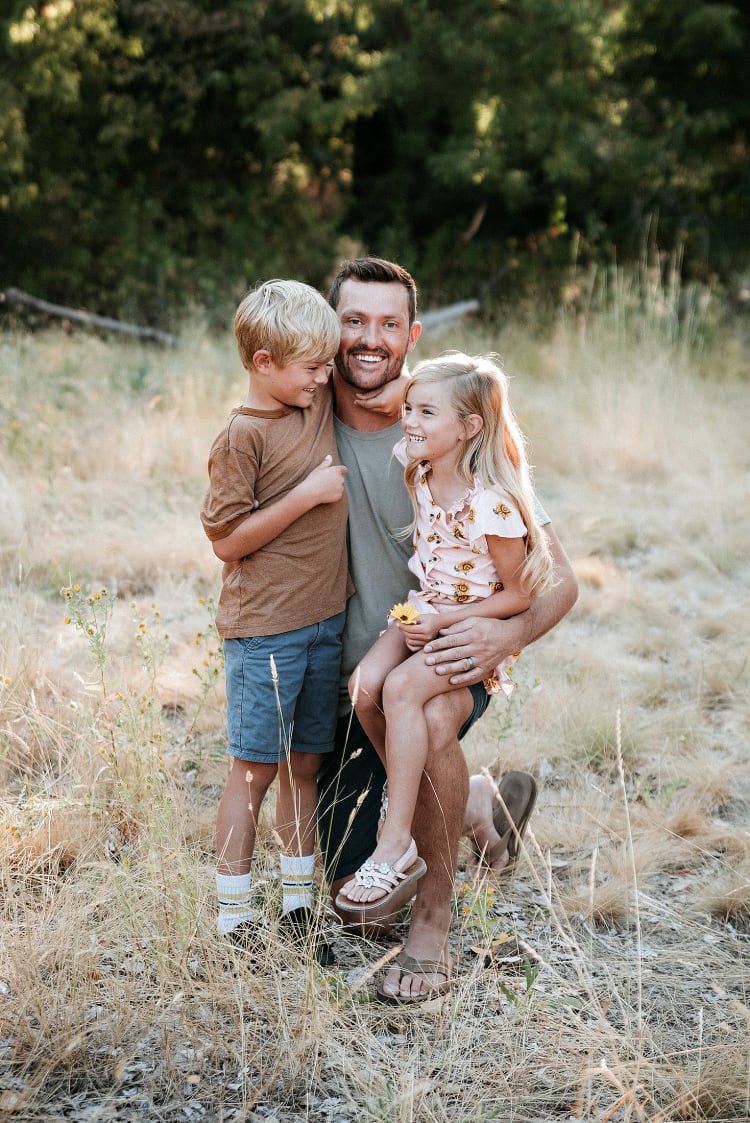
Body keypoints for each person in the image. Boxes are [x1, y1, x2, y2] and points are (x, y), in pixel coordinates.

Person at [317, 256, 578, 1003]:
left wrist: (508, 633)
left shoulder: (455, 420)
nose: (370, 339)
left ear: (411, 334)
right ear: (330, 331)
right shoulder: (308, 416)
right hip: (359, 679)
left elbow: (555, 578)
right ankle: (475, 806)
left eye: (388, 324)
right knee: (354, 909)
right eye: (353, 322)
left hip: (455, 650)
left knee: (426, 713)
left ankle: (435, 919)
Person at [336, 352, 555, 913]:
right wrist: (401, 400)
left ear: (469, 428)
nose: (409, 420)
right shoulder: (422, 466)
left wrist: (445, 622)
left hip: (465, 627)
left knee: (402, 692)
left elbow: (520, 595)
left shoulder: (493, 505)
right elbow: (397, 407)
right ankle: (455, 800)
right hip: (421, 610)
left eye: (426, 412)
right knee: (365, 685)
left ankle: (396, 842)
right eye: (409, 408)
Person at [200, 279, 349, 966]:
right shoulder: (241, 437)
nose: (324, 378)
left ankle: (297, 907)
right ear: (264, 363)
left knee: (305, 764)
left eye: (327, 365)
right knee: (254, 770)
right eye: (312, 367)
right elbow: (228, 540)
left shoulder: (313, 401)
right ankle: (234, 917)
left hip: (325, 621)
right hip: (264, 629)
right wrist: (308, 495)